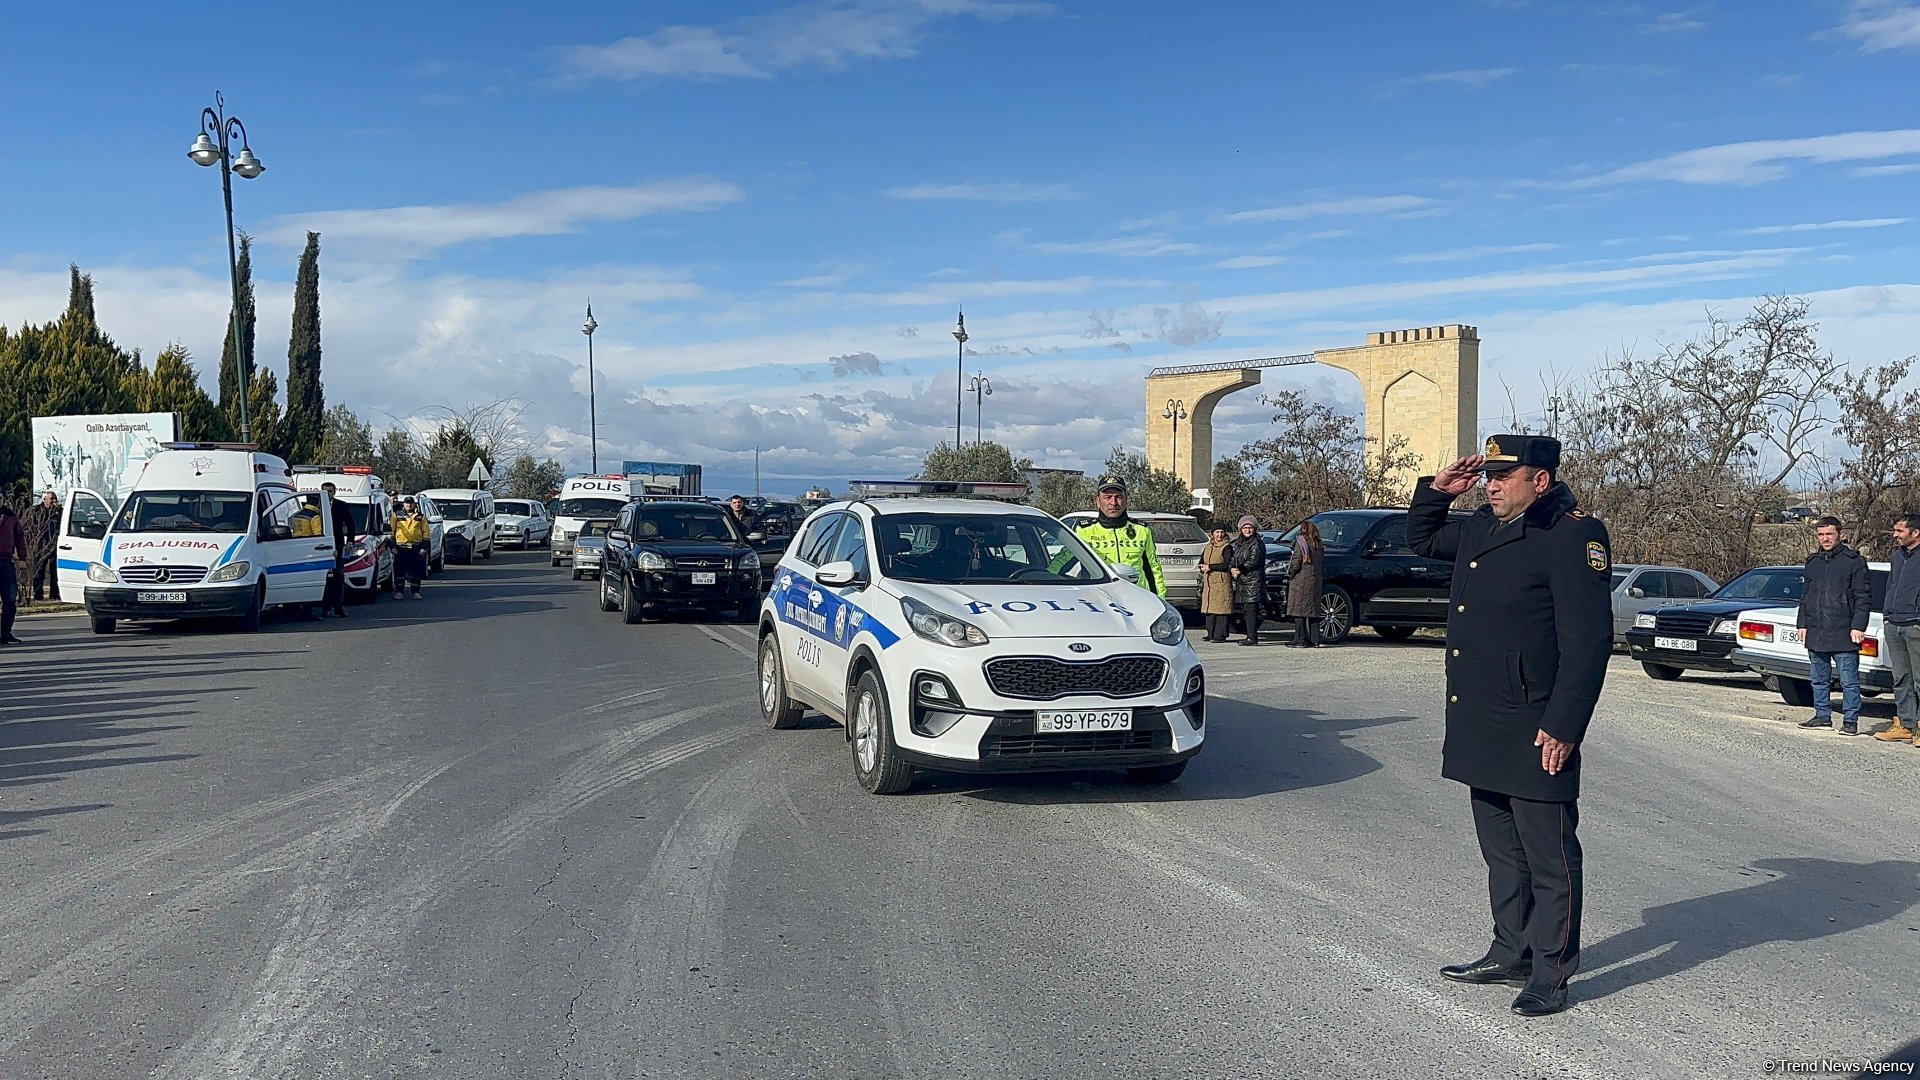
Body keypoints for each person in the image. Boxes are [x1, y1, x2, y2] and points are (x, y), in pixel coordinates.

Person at [1408, 435, 1613, 1018]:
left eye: (1505, 477)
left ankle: (1552, 971)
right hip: (1481, 717)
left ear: (1539, 481)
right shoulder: (1481, 525)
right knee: (1501, 851)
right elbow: (1421, 538)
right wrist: (1435, 492)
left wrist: (1565, 725)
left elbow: (1589, 641)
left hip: (1535, 723)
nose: (1491, 486)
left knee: (1549, 855)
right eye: (1487, 477)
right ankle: (1510, 949)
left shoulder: (1573, 535)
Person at [1796, 517, 1870, 736]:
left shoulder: (1853, 561)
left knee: (1848, 681)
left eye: (1829, 534)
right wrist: (1802, 623)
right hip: (1816, 630)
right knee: (1818, 679)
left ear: (1839, 534)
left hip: (1844, 630)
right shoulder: (1813, 562)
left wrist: (1858, 625)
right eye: (1821, 535)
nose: (1825, 539)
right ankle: (1822, 716)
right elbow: (1805, 596)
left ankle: (1850, 721)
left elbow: (1862, 596)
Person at [1071, 477, 1166, 598]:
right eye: (1107, 497)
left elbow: (1153, 569)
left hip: (1137, 599)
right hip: (1099, 600)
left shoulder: (1141, 530)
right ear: (1098, 501)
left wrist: (1160, 600)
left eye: (1119, 497)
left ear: (1126, 501)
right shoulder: (1084, 531)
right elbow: (1062, 562)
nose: (1113, 503)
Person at [1876, 512, 1920, 745]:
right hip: (1894, 624)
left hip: (1915, 624)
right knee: (1901, 678)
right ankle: (1905, 724)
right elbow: (1891, 585)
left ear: (1915, 532)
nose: (1895, 535)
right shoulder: (1896, 557)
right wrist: (1886, 616)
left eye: (1900, 531)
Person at [319, 483, 357, 619]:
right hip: (320, 546)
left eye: (330, 491)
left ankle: (338, 608)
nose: (327, 493)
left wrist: (350, 542)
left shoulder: (341, 505)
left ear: (334, 491)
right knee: (324, 578)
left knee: (338, 577)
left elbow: (351, 524)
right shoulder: (316, 504)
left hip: (338, 545)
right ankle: (324, 608)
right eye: (324, 491)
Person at [1227, 515, 1266, 645]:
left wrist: (1240, 569)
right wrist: (1232, 568)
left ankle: (1252, 637)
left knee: (1251, 610)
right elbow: (1234, 558)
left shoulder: (1257, 543)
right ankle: (1249, 635)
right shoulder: (1240, 543)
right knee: (1245, 610)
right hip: (1242, 582)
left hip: (1253, 582)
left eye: (1250, 527)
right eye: (1245, 527)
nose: (1247, 530)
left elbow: (1254, 560)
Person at [1286, 519, 1325, 648]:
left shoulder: (1301, 543)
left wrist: (1290, 574)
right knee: (1313, 612)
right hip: (1315, 582)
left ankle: (1300, 639)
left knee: (1299, 612)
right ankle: (1315, 639)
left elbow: (1296, 562)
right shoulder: (1318, 545)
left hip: (1301, 582)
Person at [1198, 525, 1234, 642]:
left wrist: (1210, 567)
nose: (1219, 535)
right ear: (1212, 534)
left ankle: (1220, 635)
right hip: (1209, 583)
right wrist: (1202, 567)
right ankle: (1211, 633)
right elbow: (1202, 561)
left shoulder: (1227, 547)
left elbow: (1226, 564)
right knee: (1209, 609)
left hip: (1221, 581)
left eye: (1221, 532)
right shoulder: (1208, 547)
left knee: (1221, 610)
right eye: (1217, 532)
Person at [22, 491, 60, 601]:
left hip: (55, 546)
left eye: (55, 499)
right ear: (45, 499)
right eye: (52, 499)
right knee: (39, 572)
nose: (54, 501)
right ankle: (38, 595)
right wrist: (31, 544)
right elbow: (25, 528)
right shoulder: (35, 511)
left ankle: (55, 594)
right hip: (40, 546)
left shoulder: (59, 512)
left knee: (55, 572)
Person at [392, 496, 431, 599]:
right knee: (399, 571)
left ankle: (415, 592)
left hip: (416, 547)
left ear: (414, 504)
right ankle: (399, 592)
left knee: (416, 571)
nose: (409, 505)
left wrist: (424, 547)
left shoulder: (420, 517)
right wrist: (392, 546)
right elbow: (391, 531)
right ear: (403, 504)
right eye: (406, 503)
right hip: (401, 547)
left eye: (411, 503)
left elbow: (426, 533)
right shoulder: (396, 515)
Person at [0, 499, 25, 644]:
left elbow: (19, 536)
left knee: (9, 599)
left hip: (5, 561)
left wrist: (22, 557)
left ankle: (6, 632)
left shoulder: (10, 516)